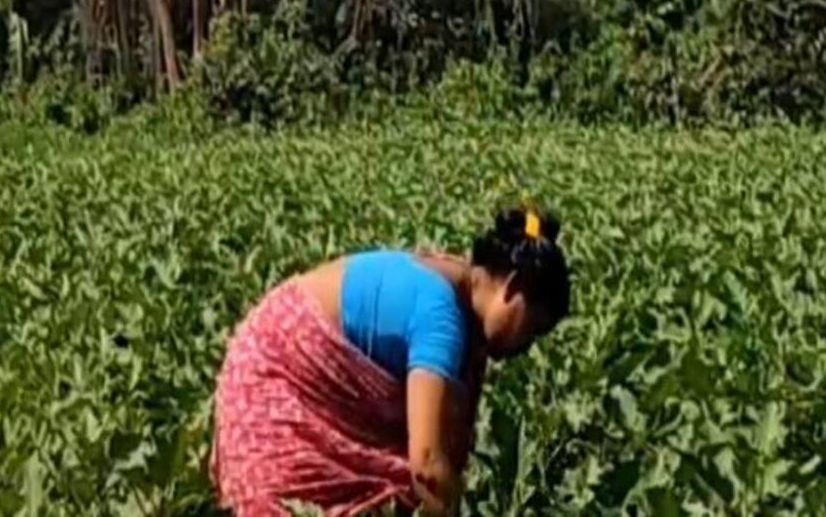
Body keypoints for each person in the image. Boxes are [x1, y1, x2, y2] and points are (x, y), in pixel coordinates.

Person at [210, 206, 570, 517]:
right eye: (532, 327)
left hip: (285, 355)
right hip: (279, 377)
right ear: (513, 288)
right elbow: (427, 463)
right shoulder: (441, 317)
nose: (527, 344)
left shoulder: (458, 285)